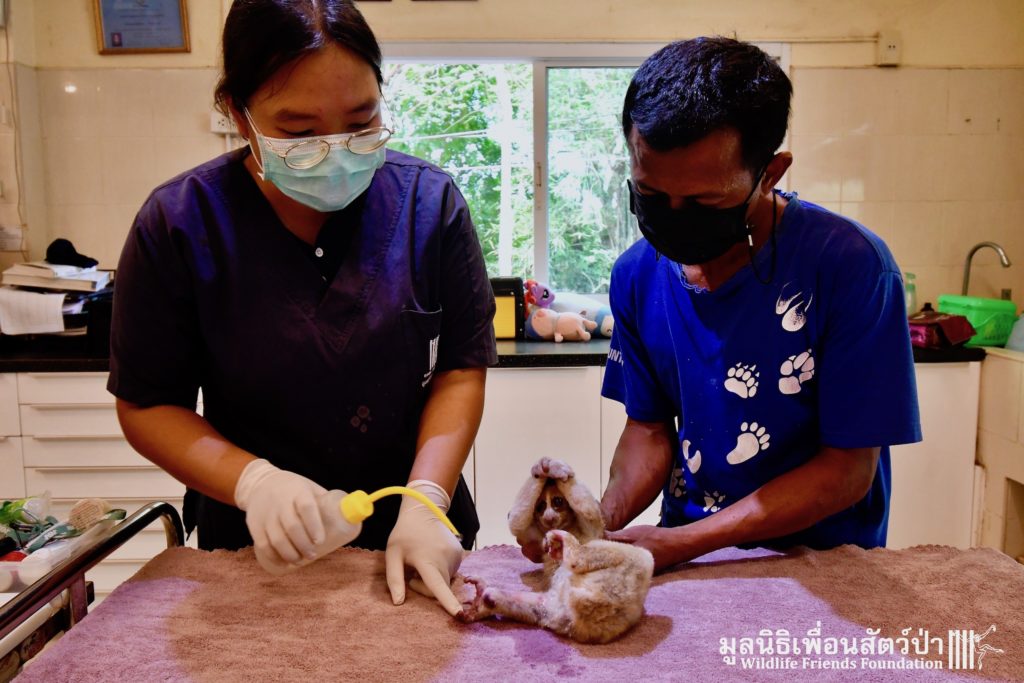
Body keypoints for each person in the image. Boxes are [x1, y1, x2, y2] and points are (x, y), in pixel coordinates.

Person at [108, 0, 496, 616]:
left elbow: (459, 369)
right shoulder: (180, 223)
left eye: (361, 121)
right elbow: (149, 405)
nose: (336, 151)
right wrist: (253, 482)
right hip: (254, 550)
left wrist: (427, 499)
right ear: (237, 113)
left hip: (414, 542)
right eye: (299, 132)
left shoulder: (429, 204)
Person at [598, 37, 921, 571]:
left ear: (770, 173)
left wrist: (689, 541)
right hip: (687, 555)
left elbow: (848, 470)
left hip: (822, 563)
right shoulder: (636, 275)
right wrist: (594, 521)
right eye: (651, 195)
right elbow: (648, 431)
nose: (674, 216)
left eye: (704, 201)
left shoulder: (849, 265)